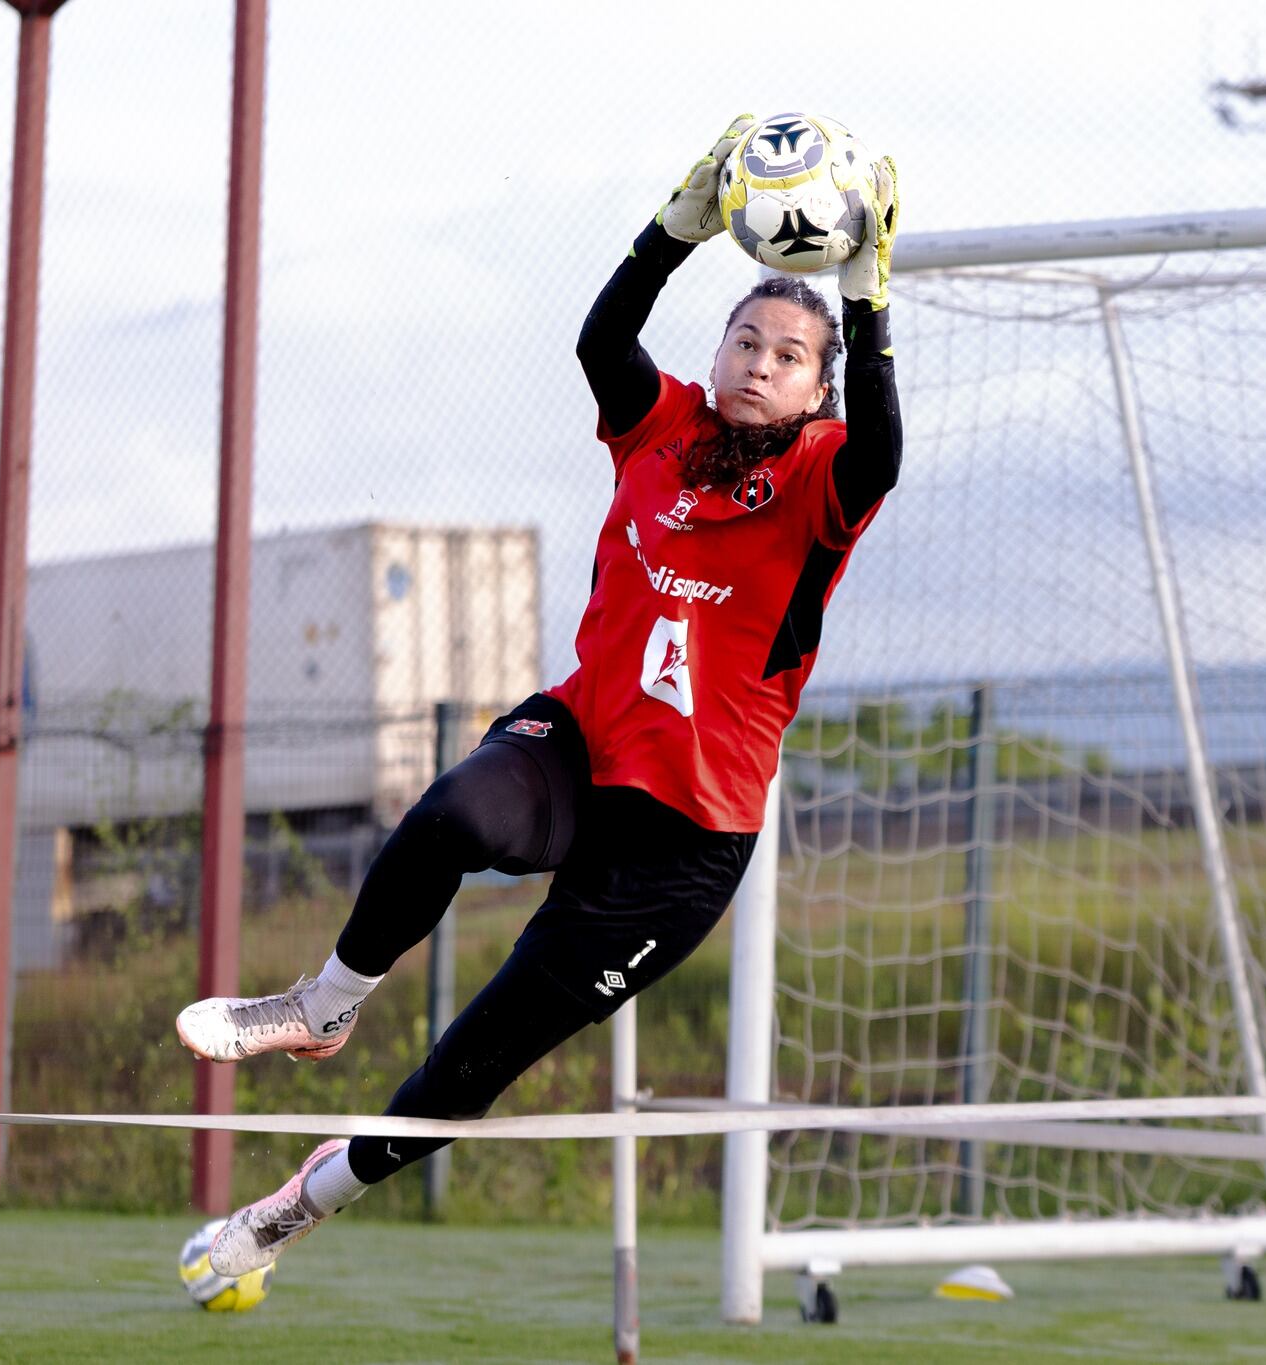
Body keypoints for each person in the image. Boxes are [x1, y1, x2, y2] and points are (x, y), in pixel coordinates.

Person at [176, 115, 902, 1277]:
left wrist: (864, 304)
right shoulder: (659, 428)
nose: (759, 362)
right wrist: (674, 227)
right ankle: (321, 1004)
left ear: (817, 390)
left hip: (678, 845)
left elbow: (882, 453)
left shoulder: (824, 477)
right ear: (715, 353)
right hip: (580, 742)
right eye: (744, 340)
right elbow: (599, 338)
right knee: (453, 815)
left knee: (465, 1070)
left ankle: (291, 1211)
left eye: (785, 354)